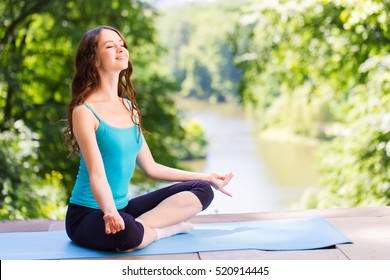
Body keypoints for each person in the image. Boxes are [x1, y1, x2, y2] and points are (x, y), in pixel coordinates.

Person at [63, 26, 234, 252]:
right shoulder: (84, 111)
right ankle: (164, 229)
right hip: (89, 215)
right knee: (127, 234)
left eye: (121, 44)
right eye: (110, 46)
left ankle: (140, 229)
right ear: (94, 60)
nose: (120, 49)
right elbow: (97, 173)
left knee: (202, 190)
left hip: (123, 209)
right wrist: (110, 212)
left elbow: (151, 168)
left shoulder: (128, 107)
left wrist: (206, 176)